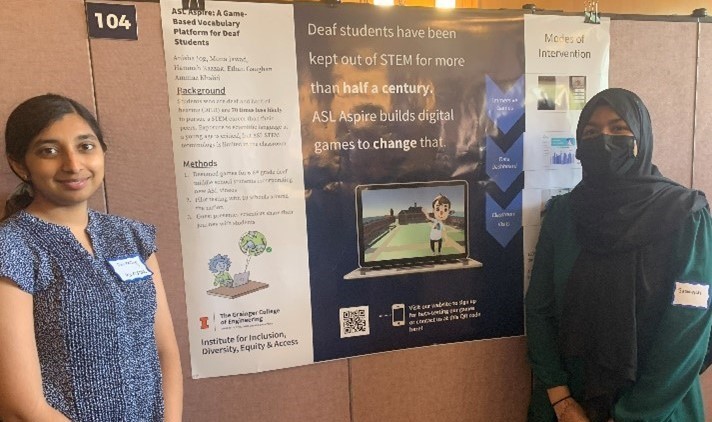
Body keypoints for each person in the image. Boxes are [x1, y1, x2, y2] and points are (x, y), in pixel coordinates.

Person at [526, 88, 712, 422]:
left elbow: (689, 326)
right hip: (570, 408)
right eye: (591, 133)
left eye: (619, 129)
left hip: (658, 410)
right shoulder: (564, 215)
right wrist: (562, 401)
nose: (605, 140)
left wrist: (632, 416)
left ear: (641, 137)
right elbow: (539, 309)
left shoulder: (685, 215)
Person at [0, 94, 183, 421]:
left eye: (85, 146)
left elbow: (165, 353)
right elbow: (21, 406)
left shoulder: (132, 237)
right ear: (19, 164)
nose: (73, 164)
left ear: (102, 152)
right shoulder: (13, 246)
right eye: (49, 151)